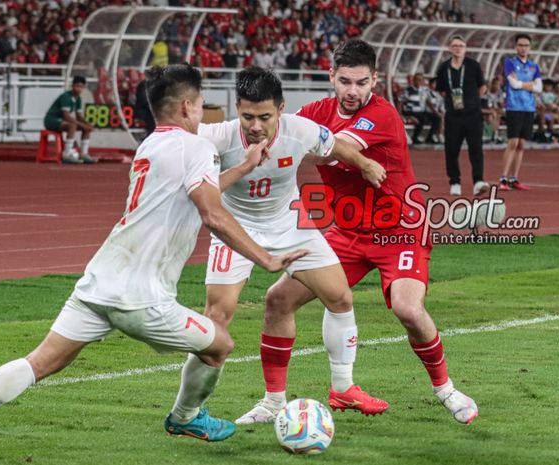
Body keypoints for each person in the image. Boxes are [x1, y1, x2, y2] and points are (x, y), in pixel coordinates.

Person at [0, 64, 307, 464]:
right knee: (219, 345)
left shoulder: (151, 145)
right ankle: (185, 417)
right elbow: (212, 214)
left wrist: (243, 167)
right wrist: (265, 258)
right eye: (203, 104)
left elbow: (196, 191)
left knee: (40, 362)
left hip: (99, 282)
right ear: (187, 106)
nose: (205, 111)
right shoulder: (197, 148)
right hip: (143, 298)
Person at [239, 39, 479, 425]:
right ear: (331, 77)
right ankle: (273, 402)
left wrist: (285, 141)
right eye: (345, 81)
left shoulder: (381, 115)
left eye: (361, 83)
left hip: (399, 228)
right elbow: (280, 131)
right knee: (277, 300)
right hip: (347, 232)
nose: (353, 91)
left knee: (407, 309)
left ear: (375, 81)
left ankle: (446, 389)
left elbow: (334, 147)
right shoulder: (315, 112)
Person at [197, 67, 389, 425]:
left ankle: (343, 388)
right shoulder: (215, 137)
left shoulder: (300, 130)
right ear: (236, 108)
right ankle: (245, 406)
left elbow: (335, 146)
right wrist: (240, 166)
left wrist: (364, 163)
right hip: (235, 229)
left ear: (281, 109)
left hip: (289, 222)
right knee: (217, 317)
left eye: (265, 117)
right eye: (248, 116)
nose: (256, 126)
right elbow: (203, 191)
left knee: (340, 296)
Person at [435, 35, 489, 197]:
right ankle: (455, 181)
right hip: (453, 116)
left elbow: (483, 87)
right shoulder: (444, 68)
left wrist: (472, 101)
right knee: (451, 150)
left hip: (473, 115)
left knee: (476, 149)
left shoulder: (473, 65)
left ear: (465, 48)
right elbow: (442, 90)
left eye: (461, 45)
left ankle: (478, 181)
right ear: (450, 48)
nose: (457, 48)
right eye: (454, 45)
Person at [500, 34, 542, 191]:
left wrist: (523, 84)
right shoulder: (509, 63)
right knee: (513, 142)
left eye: (526, 45)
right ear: (516, 47)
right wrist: (529, 84)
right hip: (514, 106)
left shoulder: (534, 66)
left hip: (529, 107)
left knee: (522, 144)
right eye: (520, 45)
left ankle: (514, 178)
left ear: (530, 47)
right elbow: (513, 84)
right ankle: (503, 178)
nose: (523, 48)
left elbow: (539, 88)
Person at [43, 76, 95, 164]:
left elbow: (79, 116)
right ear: (72, 86)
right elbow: (67, 116)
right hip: (52, 120)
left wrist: (87, 124)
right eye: (77, 86)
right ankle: (67, 153)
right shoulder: (66, 97)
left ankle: (84, 153)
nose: (79, 89)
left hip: (61, 121)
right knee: (72, 125)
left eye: (81, 87)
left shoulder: (78, 99)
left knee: (86, 128)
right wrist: (83, 125)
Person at [401, 72, 440, 145]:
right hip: (411, 111)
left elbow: (428, 101)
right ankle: (415, 137)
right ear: (414, 80)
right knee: (422, 119)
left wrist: (435, 112)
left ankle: (430, 138)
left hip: (421, 111)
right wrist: (400, 114)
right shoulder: (408, 90)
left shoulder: (425, 90)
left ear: (423, 81)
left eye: (420, 80)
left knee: (436, 118)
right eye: (417, 79)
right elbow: (401, 101)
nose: (418, 81)